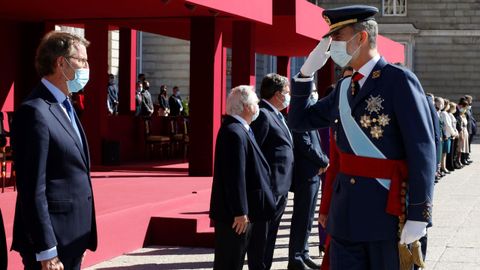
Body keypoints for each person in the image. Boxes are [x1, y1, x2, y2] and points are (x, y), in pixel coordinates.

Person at [288, 5, 435, 270]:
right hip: (345, 215)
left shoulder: (398, 80)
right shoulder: (345, 86)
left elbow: (422, 148)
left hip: (387, 213)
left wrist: (419, 214)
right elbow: (299, 121)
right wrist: (304, 75)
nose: (332, 47)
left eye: (338, 38)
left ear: (361, 38)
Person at [11, 31, 97, 270]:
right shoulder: (35, 111)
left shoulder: (65, 105)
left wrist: (82, 239)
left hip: (72, 239)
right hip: (51, 246)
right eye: (82, 61)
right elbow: (32, 188)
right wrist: (46, 250)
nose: (87, 67)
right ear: (61, 62)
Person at [209, 85, 275, 270]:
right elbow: (234, 175)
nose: (258, 106)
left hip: (245, 212)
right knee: (230, 262)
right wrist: (240, 211)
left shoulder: (241, 129)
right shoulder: (234, 132)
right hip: (235, 217)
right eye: (255, 102)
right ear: (246, 106)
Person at [248, 73, 294, 270]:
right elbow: (255, 153)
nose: (288, 95)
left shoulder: (276, 114)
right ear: (277, 94)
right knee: (262, 238)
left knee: (271, 235)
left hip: (280, 187)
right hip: (270, 188)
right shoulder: (263, 115)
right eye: (287, 92)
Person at [288, 89, 329, 270]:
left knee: (309, 217)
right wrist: (324, 161)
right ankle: (295, 257)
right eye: (311, 91)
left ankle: (303, 253)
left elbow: (316, 143)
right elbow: (304, 144)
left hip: (313, 172)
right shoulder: (298, 115)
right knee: (302, 217)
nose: (314, 94)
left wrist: (322, 161)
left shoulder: (309, 113)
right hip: (306, 173)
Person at [464, 95, 476, 163]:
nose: (471, 101)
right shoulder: (465, 108)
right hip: (467, 129)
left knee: (468, 143)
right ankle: (465, 157)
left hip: (471, 128)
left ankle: (467, 156)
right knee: (466, 144)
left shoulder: (469, 108)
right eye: (470, 100)